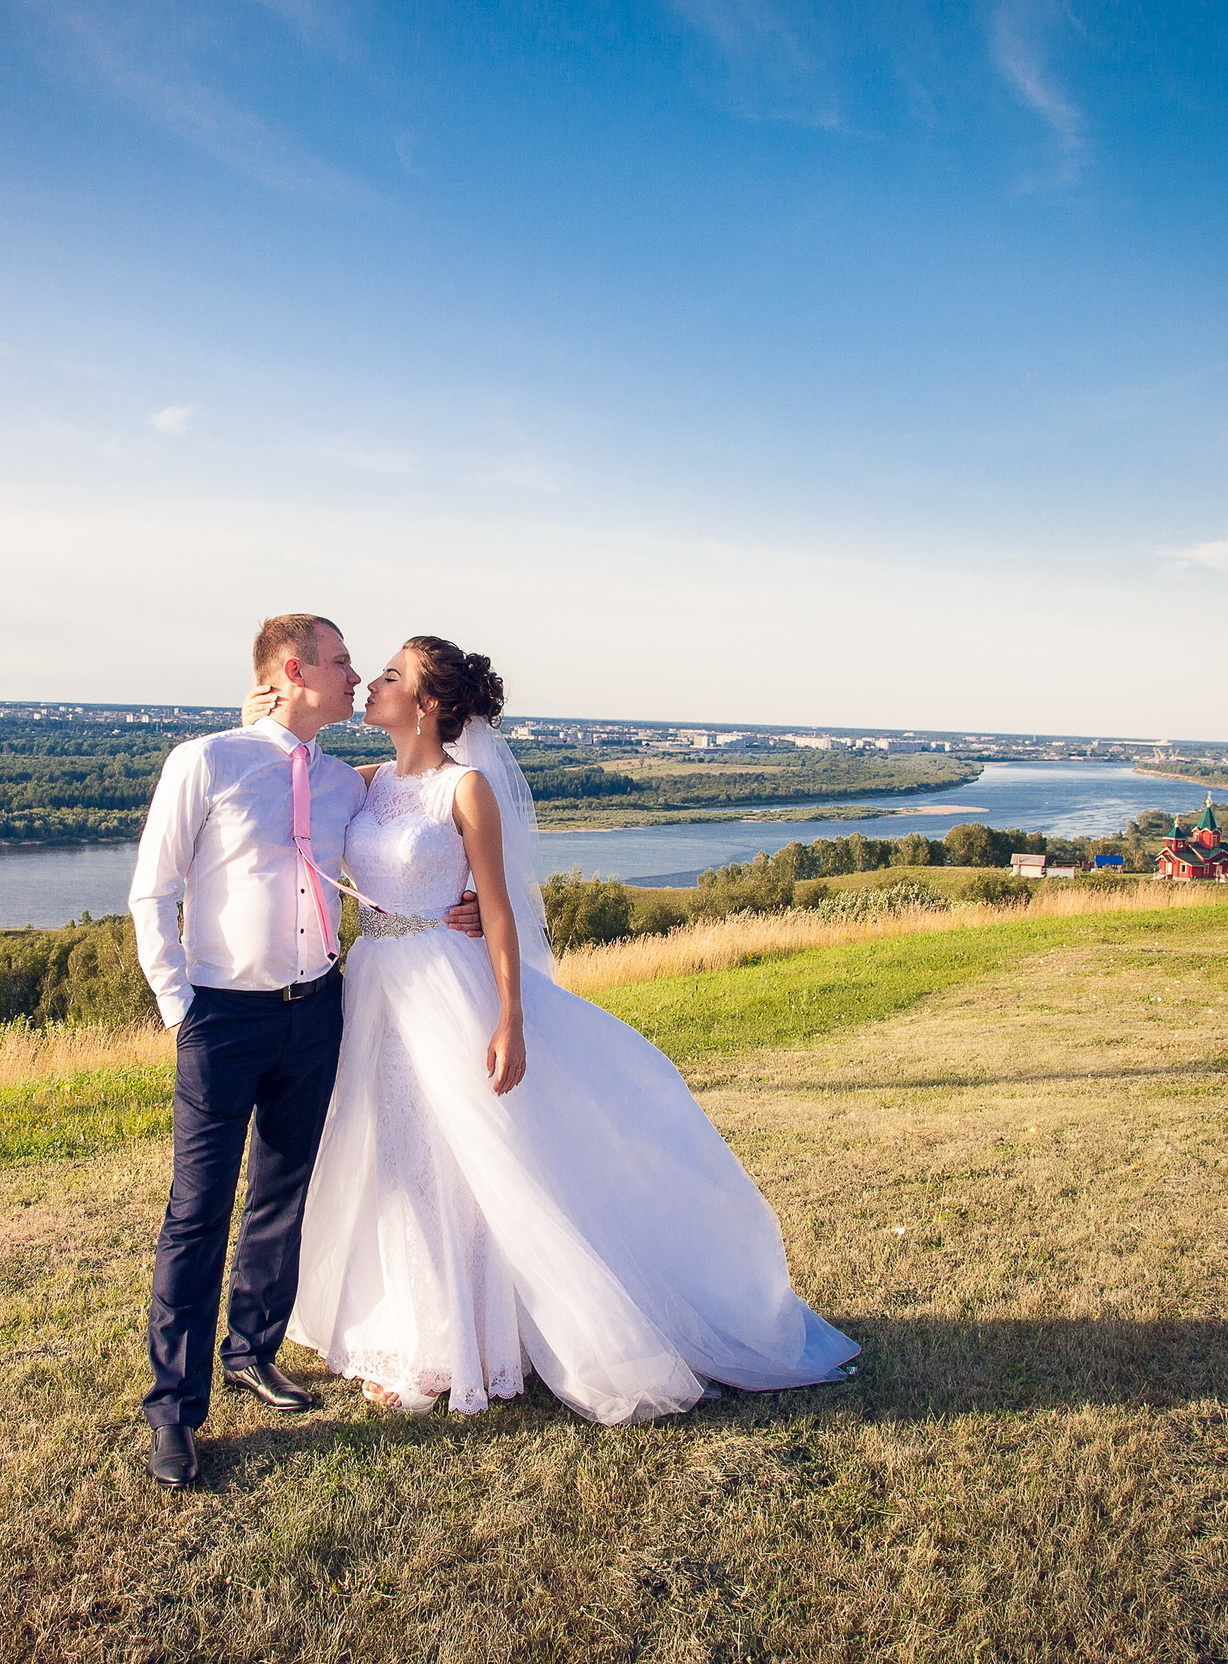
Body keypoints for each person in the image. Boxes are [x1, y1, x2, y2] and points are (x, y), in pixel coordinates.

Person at [270, 638, 858, 1424]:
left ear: (429, 704)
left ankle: (455, 1347)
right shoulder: (366, 782)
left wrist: (511, 1018)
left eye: (390, 676)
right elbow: (290, 777)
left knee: (460, 1158)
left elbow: (499, 908)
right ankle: (410, 1326)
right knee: (394, 1159)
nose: (372, 684)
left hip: (447, 986)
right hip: (375, 985)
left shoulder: (465, 788)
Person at [126, 614, 483, 1489]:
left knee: (282, 1197)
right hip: (222, 1016)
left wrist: (465, 899)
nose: (357, 676)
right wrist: (181, 1011)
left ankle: (253, 1350)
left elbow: (419, 823)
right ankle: (174, 1411)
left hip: (318, 1009)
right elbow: (151, 893)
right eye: (342, 661)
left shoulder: (343, 784)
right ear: (295, 669)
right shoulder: (205, 762)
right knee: (197, 1212)